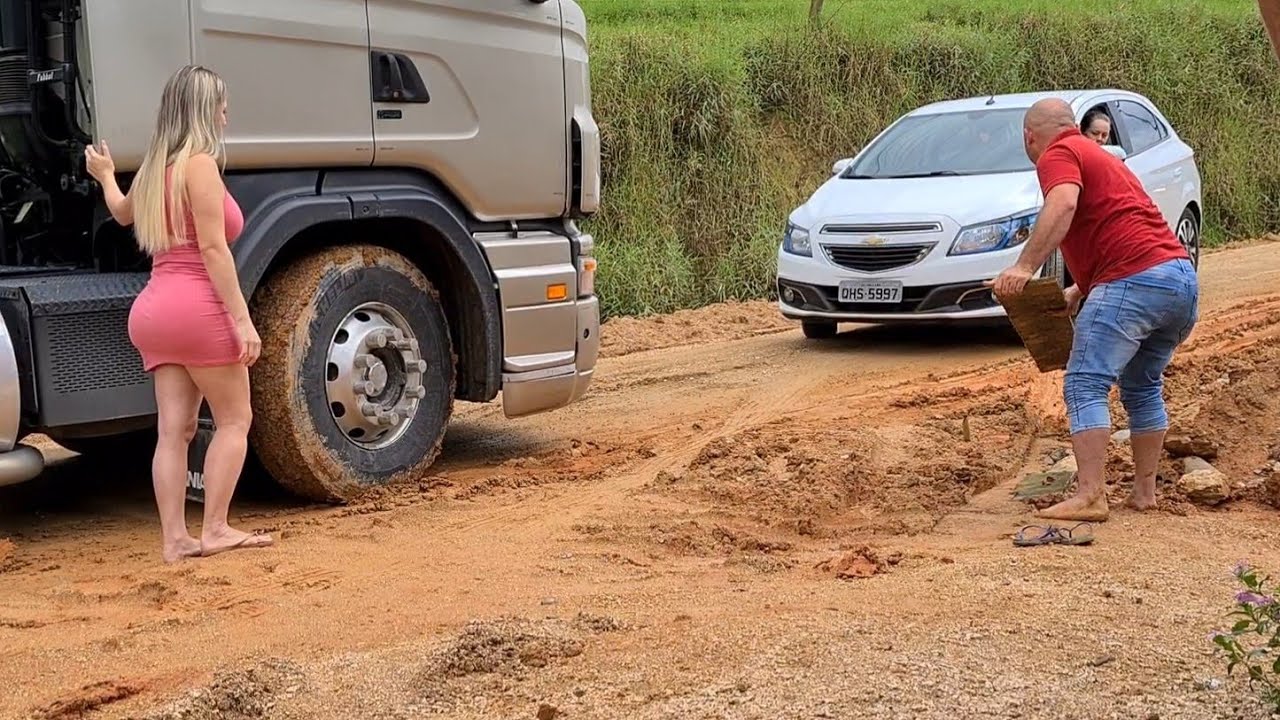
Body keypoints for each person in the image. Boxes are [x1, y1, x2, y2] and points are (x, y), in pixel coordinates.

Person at [83, 65, 272, 562]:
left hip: (154, 311)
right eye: (222, 106)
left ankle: (174, 540)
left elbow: (123, 212)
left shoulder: (154, 167)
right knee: (234, 421)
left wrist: (105, 176)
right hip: (197, 309)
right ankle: (215, 529)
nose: (227, 116)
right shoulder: (200, 165)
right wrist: (241, 320)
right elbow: (213, 249)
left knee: (173, 431)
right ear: (204, 110)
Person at [989, 98, 1198, 523]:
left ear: (1030, 137)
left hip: (1133, 279)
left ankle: (1089, 496)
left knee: (1085, 382)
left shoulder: (1058, 153)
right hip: (1179, 279)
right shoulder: (1101, 157)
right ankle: (1144, 493)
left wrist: (1024, 267)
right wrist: (1081, 287)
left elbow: (1063, 204)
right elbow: (1123, 221)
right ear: (1072, 124)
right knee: (1141, 384)